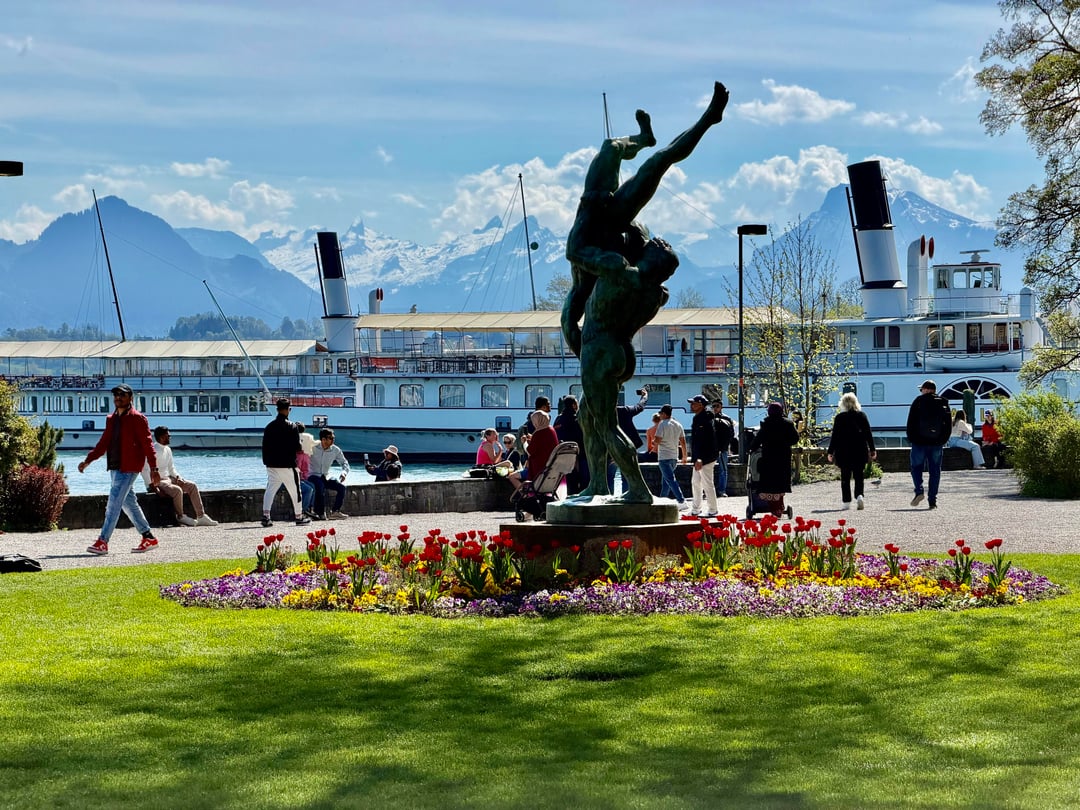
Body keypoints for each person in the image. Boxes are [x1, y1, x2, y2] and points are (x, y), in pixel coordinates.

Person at [79, 384, 162, 555]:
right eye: (116, 394)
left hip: (130, 468)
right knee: (128, 503)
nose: (118, 397)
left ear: (130, 398)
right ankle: (148, 537)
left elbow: (148, 445)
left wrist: (154, 468)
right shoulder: (112, 419)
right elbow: (103, 443)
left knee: (113, 504)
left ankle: (103, 541)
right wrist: (88, 460)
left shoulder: (138, 418)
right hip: (115, 467)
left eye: (122, 395)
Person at [141, 426, 217, 526]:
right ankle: (180, 516)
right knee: (177, 490)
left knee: (192, 486)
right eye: (168, 436)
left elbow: (171, 468)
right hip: (157, 482)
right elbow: (144, 470)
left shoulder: (167, 449)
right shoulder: (152, 450)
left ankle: (201, 516)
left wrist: (178, 477)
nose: (170, 437)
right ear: (161, 437)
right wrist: (152, 486)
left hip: (168, 478)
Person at [261, 398, 311, 528]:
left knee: (270, 490)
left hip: (272, 464)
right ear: (288, 409)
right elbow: (297, 447)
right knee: (296, 491)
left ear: (277, 409)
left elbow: (265, 446)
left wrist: (266, 462)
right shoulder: (292, 426)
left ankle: (266, 516)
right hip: (287, 464)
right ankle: (299, 516)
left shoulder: (269, 427)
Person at [826, 392, 877, 510]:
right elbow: (868, 434)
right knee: (859, 475)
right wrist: (872, 449)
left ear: (843, 404)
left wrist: (830, 452)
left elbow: (835, 436)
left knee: (845, 477)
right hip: (860, 450)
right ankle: (859, 496)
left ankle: (846, 501)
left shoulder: (840, 418)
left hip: (843, 451)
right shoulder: (862, 416)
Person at [906, 380, 952, 510]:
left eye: (922, 389)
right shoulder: (943, 402)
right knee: (935, 471)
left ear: (926, 389)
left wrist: (912, 439)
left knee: (916, 468)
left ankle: (919, 490)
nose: (921, 391)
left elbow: (911, 422)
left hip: (919, 443)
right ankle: (932, 501)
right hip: (936, 443)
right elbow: (948, 424)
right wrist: (943, 440)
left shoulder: (918, 401)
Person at [749, 402, 800, 517]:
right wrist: (785, 443)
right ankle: (779, 507)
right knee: (780, 484)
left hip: (768, 458)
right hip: (783, 458)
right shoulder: (788, 423)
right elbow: (795, 438)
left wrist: (752, 447)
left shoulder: (766, 424)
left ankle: (773, 508)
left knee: (769, 485)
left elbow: (758, 440)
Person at [606, 388, 649, 492]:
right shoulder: (624, 411)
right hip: (627, 448)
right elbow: (639, 407)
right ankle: (626, 497)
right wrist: (644, 396)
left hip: (610, 449)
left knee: (610, 478)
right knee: (627, 477)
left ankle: (610, 497)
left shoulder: (604, 414)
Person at [686, 394, 719, 516]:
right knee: (695, 482)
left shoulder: (704, 419)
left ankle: (713, 509)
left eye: (693, 403)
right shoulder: (699, 418)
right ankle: (696, 508)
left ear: (700, 405)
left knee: (707, 483)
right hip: (700, 457)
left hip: (706, 458)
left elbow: (704, 441)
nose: (691, 405)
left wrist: (700, 458)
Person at [310, 428, 351, 518]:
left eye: (333, 438)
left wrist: (344, 472)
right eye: (331, 438)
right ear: (323, 439)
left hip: (325, 476)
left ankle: (335, 511)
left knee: (341, 487)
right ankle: (320, 513)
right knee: (319, 486)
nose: (333, 440)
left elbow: (344, 462)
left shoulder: (335, 450)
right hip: (312, 475)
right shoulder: (312, 447)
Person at [654, 404, 689, 509]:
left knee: (670, 479)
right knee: (666, 480)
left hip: (664, 457)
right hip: (674, 456)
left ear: (664, 414)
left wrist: (653, 442)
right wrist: (684, 456)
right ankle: (662, 499)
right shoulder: (678, 425)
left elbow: (657, 440)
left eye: (661, 413)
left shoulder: (662, 424)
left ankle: (681, 500)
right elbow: (683, 442)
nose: (660, 415)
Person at [554, 394, 589, 495]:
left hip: (563, 455)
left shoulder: (558, 419)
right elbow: (581, 436)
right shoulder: (577, 419)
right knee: (583, 482)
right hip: (579, 455)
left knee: (570, 483)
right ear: (574, 405)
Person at [710, 399, 735, 498]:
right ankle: (709, 490)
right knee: (708, 471)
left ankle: (721, 490)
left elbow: (731, 434)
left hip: (722, 448)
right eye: (713, 406)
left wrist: (727, 445)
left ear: (721, 407)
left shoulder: (727, 419)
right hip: (711, 449)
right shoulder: (709, 418)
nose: (715, 408)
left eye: (717, 406)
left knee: (723, 470)